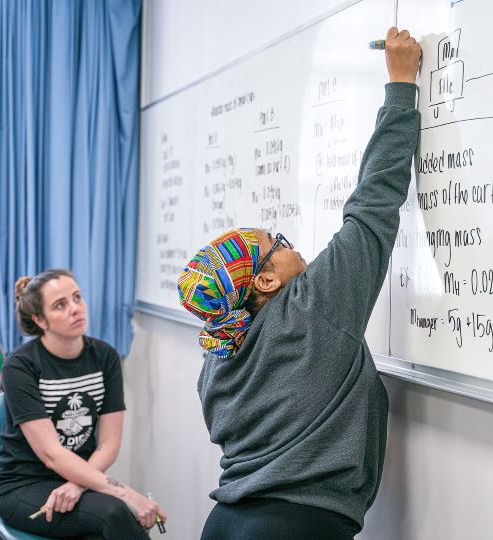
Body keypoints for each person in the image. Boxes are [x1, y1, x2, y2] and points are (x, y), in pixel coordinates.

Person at [177, 27, 421, 539]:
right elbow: (373, 204)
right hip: (294, 529)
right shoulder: (311, 309)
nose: (292, 246)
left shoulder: (216, 356)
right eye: (279, 242)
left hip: (225, 525)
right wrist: (401, 85)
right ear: (266, 278)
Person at [0, 269, 166, 539]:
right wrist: (127, 493)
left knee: (108, 522)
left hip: (82, 478)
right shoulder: (20, 366)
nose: (75, 309)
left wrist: (77, 483)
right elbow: (52, 454)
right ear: (40, 319)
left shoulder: (104, 356)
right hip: (23, 486)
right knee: (114, 512)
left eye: (77, 297)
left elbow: (109, 443)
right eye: (60, 305)